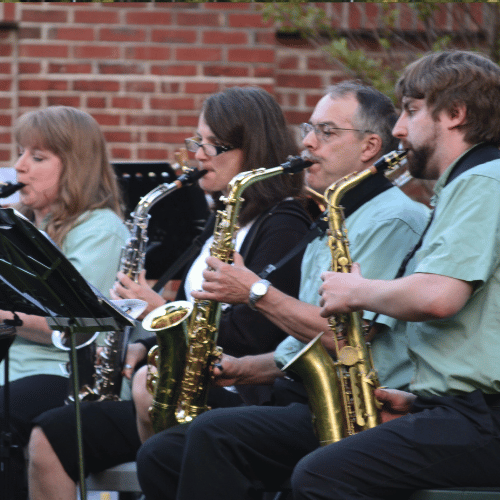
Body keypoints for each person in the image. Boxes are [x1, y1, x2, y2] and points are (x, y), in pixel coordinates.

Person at [133, 81, 431, 500]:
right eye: (310, 129)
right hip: (304, 397)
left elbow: (347, 338)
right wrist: (243, 368)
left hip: (358, 409)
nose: (308, 142)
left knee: (214, 434)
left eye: (326, 132)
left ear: (370, 147)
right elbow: (304, 345)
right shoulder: (334, 216)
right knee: (161, 455)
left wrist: (255, 292)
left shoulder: (393, 219)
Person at [27, 86, 312, 500]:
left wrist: (160, 311)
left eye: (214, 145)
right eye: (198, 141)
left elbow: (256, 333)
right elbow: (193, 312)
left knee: (147, 388)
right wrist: (144, 343)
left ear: (252, 150)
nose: (198, 154)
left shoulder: (283, 223)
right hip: (186, 387)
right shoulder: (224, 218)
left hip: (241, 394)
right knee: (50, 436)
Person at [287, 49, 500, 499]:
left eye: (411, 110)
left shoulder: (483, 181)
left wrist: (356, 290)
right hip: (464, 410)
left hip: (483, 419)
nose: (399, 129)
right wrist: (421, 402)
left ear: (455, 114)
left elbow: (439, 297)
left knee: (320, 477)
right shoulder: (472, 182)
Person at [0, 106, 130, 500]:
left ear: (75, 167)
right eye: (21, 152)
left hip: (67, 376)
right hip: (15, 370)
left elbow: (78, 326)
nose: (19, 166)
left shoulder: (101, 229)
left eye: (37, 157)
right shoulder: (25, 225)